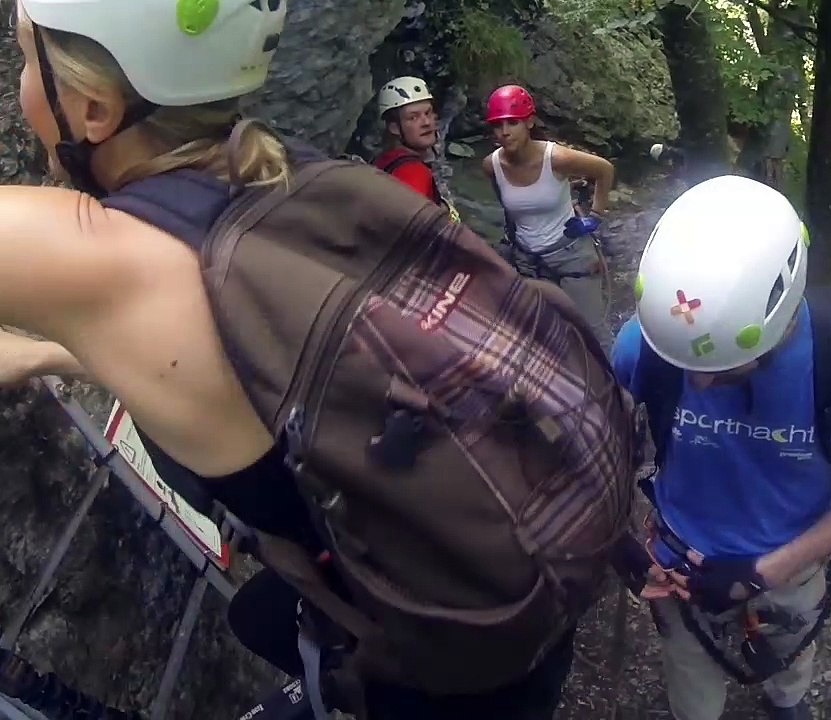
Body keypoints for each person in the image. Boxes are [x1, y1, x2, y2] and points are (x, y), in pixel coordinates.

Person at [0, 2, 638, 718]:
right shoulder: (291, 172)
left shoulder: (105, 263)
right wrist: (57, 354)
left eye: (27, 57)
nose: (23, 80)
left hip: (424, 675)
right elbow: (245, 370)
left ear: (91, 108)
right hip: (510, 615)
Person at [610, 175, 831, 720]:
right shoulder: (651, 344)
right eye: (689, 368)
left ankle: (786, 701)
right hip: (679, 562)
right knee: (692, 689)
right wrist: (620, 543)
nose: (699, 386)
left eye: (723, 368)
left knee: (789, 665)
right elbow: (601, 445)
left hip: (793, 561)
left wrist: (766, 572)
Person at [482, 83, 617, 350]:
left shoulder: (557, 158)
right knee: (546, 337)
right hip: (528, 260)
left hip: (571, 253)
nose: (505, 132)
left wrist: (596, 216)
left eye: (513, 123)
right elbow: (509, 208)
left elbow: (604, 170)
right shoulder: (492, 166)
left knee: (593, 333)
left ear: (529, 122)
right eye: (498, 125)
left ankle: (618, 387)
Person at [371, 75, 460, 223]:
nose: (426, 122)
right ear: (394, 127)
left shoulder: (382, 161)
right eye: (413, 117)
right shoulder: (413, 172)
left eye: (428, 113)